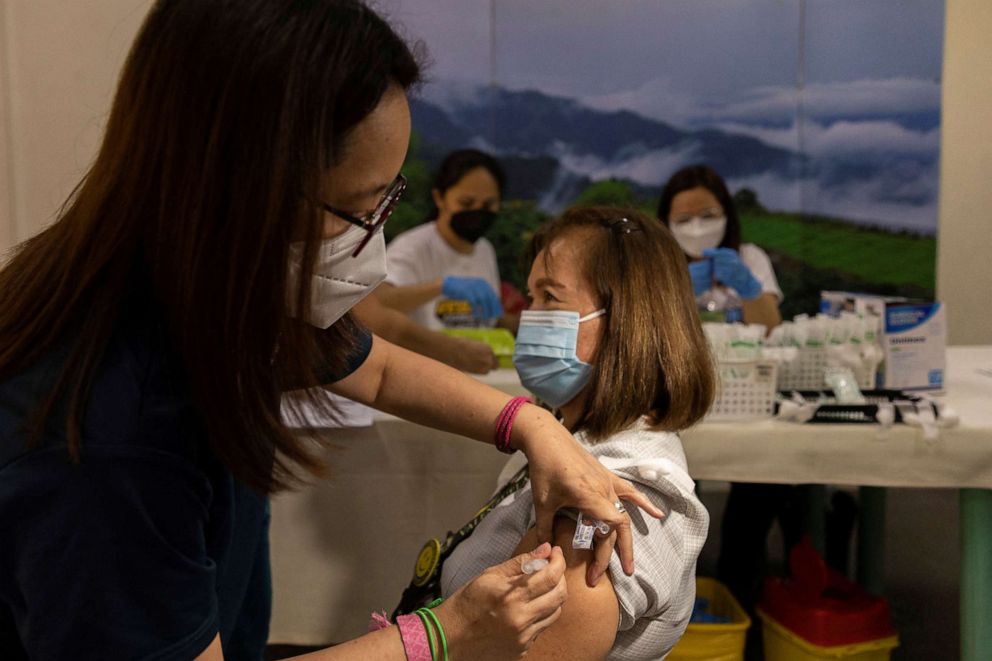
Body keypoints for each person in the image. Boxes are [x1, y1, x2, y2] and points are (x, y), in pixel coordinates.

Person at [0, 3, 663, 660]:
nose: (373, 239)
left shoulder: (214, 289)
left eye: (385, 200)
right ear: (239, 189)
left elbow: (373, 365)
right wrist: (441, 634)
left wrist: (532, 425)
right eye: (354, 209)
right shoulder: (110, 430)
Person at [402, 207, 717, 660]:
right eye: (531, 298)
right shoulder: (568, 442)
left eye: (550, 297)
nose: (530, 317)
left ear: (628, 317)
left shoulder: (611, 489)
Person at [376, 149, 511, 330]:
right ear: (440, 198)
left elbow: (487, 320)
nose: (478, 211)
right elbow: (378, 301)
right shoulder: (411, 247)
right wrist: (440, 286)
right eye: (466, 203)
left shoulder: (484, 249)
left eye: (488, 205)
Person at [657, 165, 782, 329]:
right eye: (683, 219)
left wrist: (748, 288)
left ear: (726, 214)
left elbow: (769, 327)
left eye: (708, 215)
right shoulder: (656, 264)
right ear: (666, 223)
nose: (697, 228)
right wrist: (680, 294)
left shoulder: (750, 257)